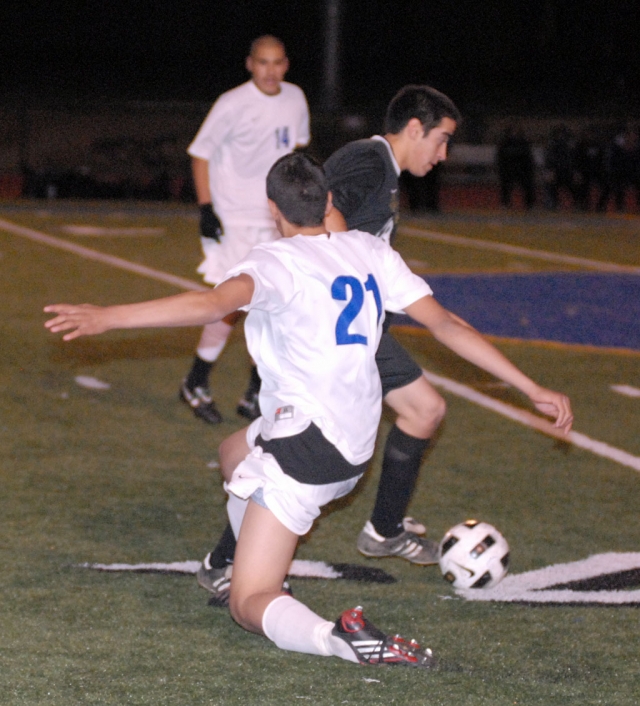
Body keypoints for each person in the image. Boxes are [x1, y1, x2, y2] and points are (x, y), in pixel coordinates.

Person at [44, 152, 573, 667]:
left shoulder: (275, 264)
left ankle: (337, 637)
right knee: (233, 452)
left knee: (248, 604)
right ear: (327, 204)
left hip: (308, 451)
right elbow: (448, 325)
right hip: (352, 440)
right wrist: (530, 387)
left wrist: (108, 316)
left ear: (273, 211)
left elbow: (210, 305)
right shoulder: (369, 251)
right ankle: (235, 555)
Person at [196, 85, 565, 607]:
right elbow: (321, 215)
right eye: (441, 141)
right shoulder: (369, 162)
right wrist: (347, 265)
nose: (443, 155)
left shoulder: (380, 169)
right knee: (297, 448)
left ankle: (379, 530)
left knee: (417, 411)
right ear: (414, 128)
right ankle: (234, 559)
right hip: (341, 326)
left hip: (355, 323)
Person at [180, 35, 310, 424]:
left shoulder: (296, 98)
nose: (271, 71)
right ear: (250, 64)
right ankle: (195, 381)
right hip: (234, 217)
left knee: (278, 302)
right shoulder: (232, 102)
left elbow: (295, 154)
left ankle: (256, 391)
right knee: (231, 304)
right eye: (263, 63)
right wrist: (206, 207)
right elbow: (200, 154)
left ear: (286, 64)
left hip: (276, 216)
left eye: (277, 63)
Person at [496, 125, 536, 209]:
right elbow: (500, 157)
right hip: (508, 169)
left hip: (522, 169)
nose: (514, 134)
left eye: (516, 132)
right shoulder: (504, 143)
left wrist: (529, 169)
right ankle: (505, 203)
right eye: (513, 131)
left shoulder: (524, 142)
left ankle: (530, 204)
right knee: (506, 186)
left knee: (527, 185)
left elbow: (529, 157)